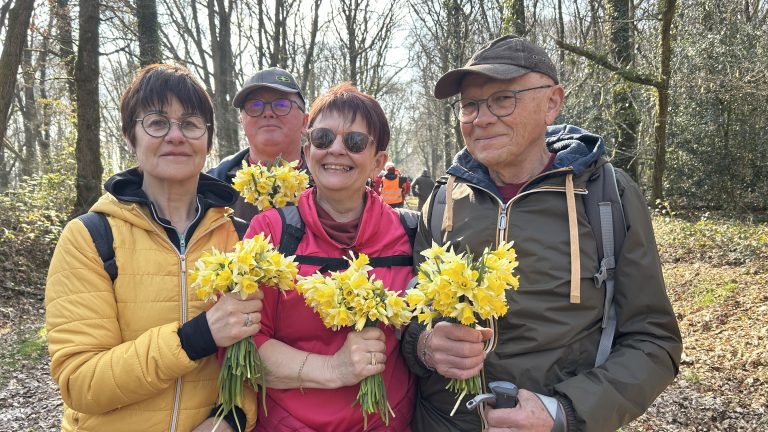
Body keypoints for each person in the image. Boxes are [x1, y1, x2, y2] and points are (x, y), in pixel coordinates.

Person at [401, 35, 683, 432]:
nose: (481, 118)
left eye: (502, 99)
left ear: (552, 102)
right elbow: (412, 313)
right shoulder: (443, 199)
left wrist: (562, 412)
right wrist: (425, 345)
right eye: (470, 105)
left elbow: (654, 341)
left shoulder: (607, 196)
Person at [45, 64, 262, 432]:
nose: (176, 135)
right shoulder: (90, 238)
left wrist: (231, 419)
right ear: (131, 137)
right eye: (158, 122)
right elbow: (80, 382)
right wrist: (196, 338)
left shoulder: (241, 240)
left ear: (208, 141)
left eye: (191, 123)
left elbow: (253, 360)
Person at [244, 82, 415, 430]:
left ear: (378, 161)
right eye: (323, 138)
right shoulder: (271, 231)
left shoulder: (410, 234)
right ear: (308, 152)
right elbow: (242, 346)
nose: (336, 149)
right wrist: (334, 370)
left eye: (354, 142)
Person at [208, 67, 309, 221]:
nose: (267, 113)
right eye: (254, 106)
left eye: (281, 104)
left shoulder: (330, 184)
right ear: (242, 122)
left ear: (304, 122)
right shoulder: (212, 189)